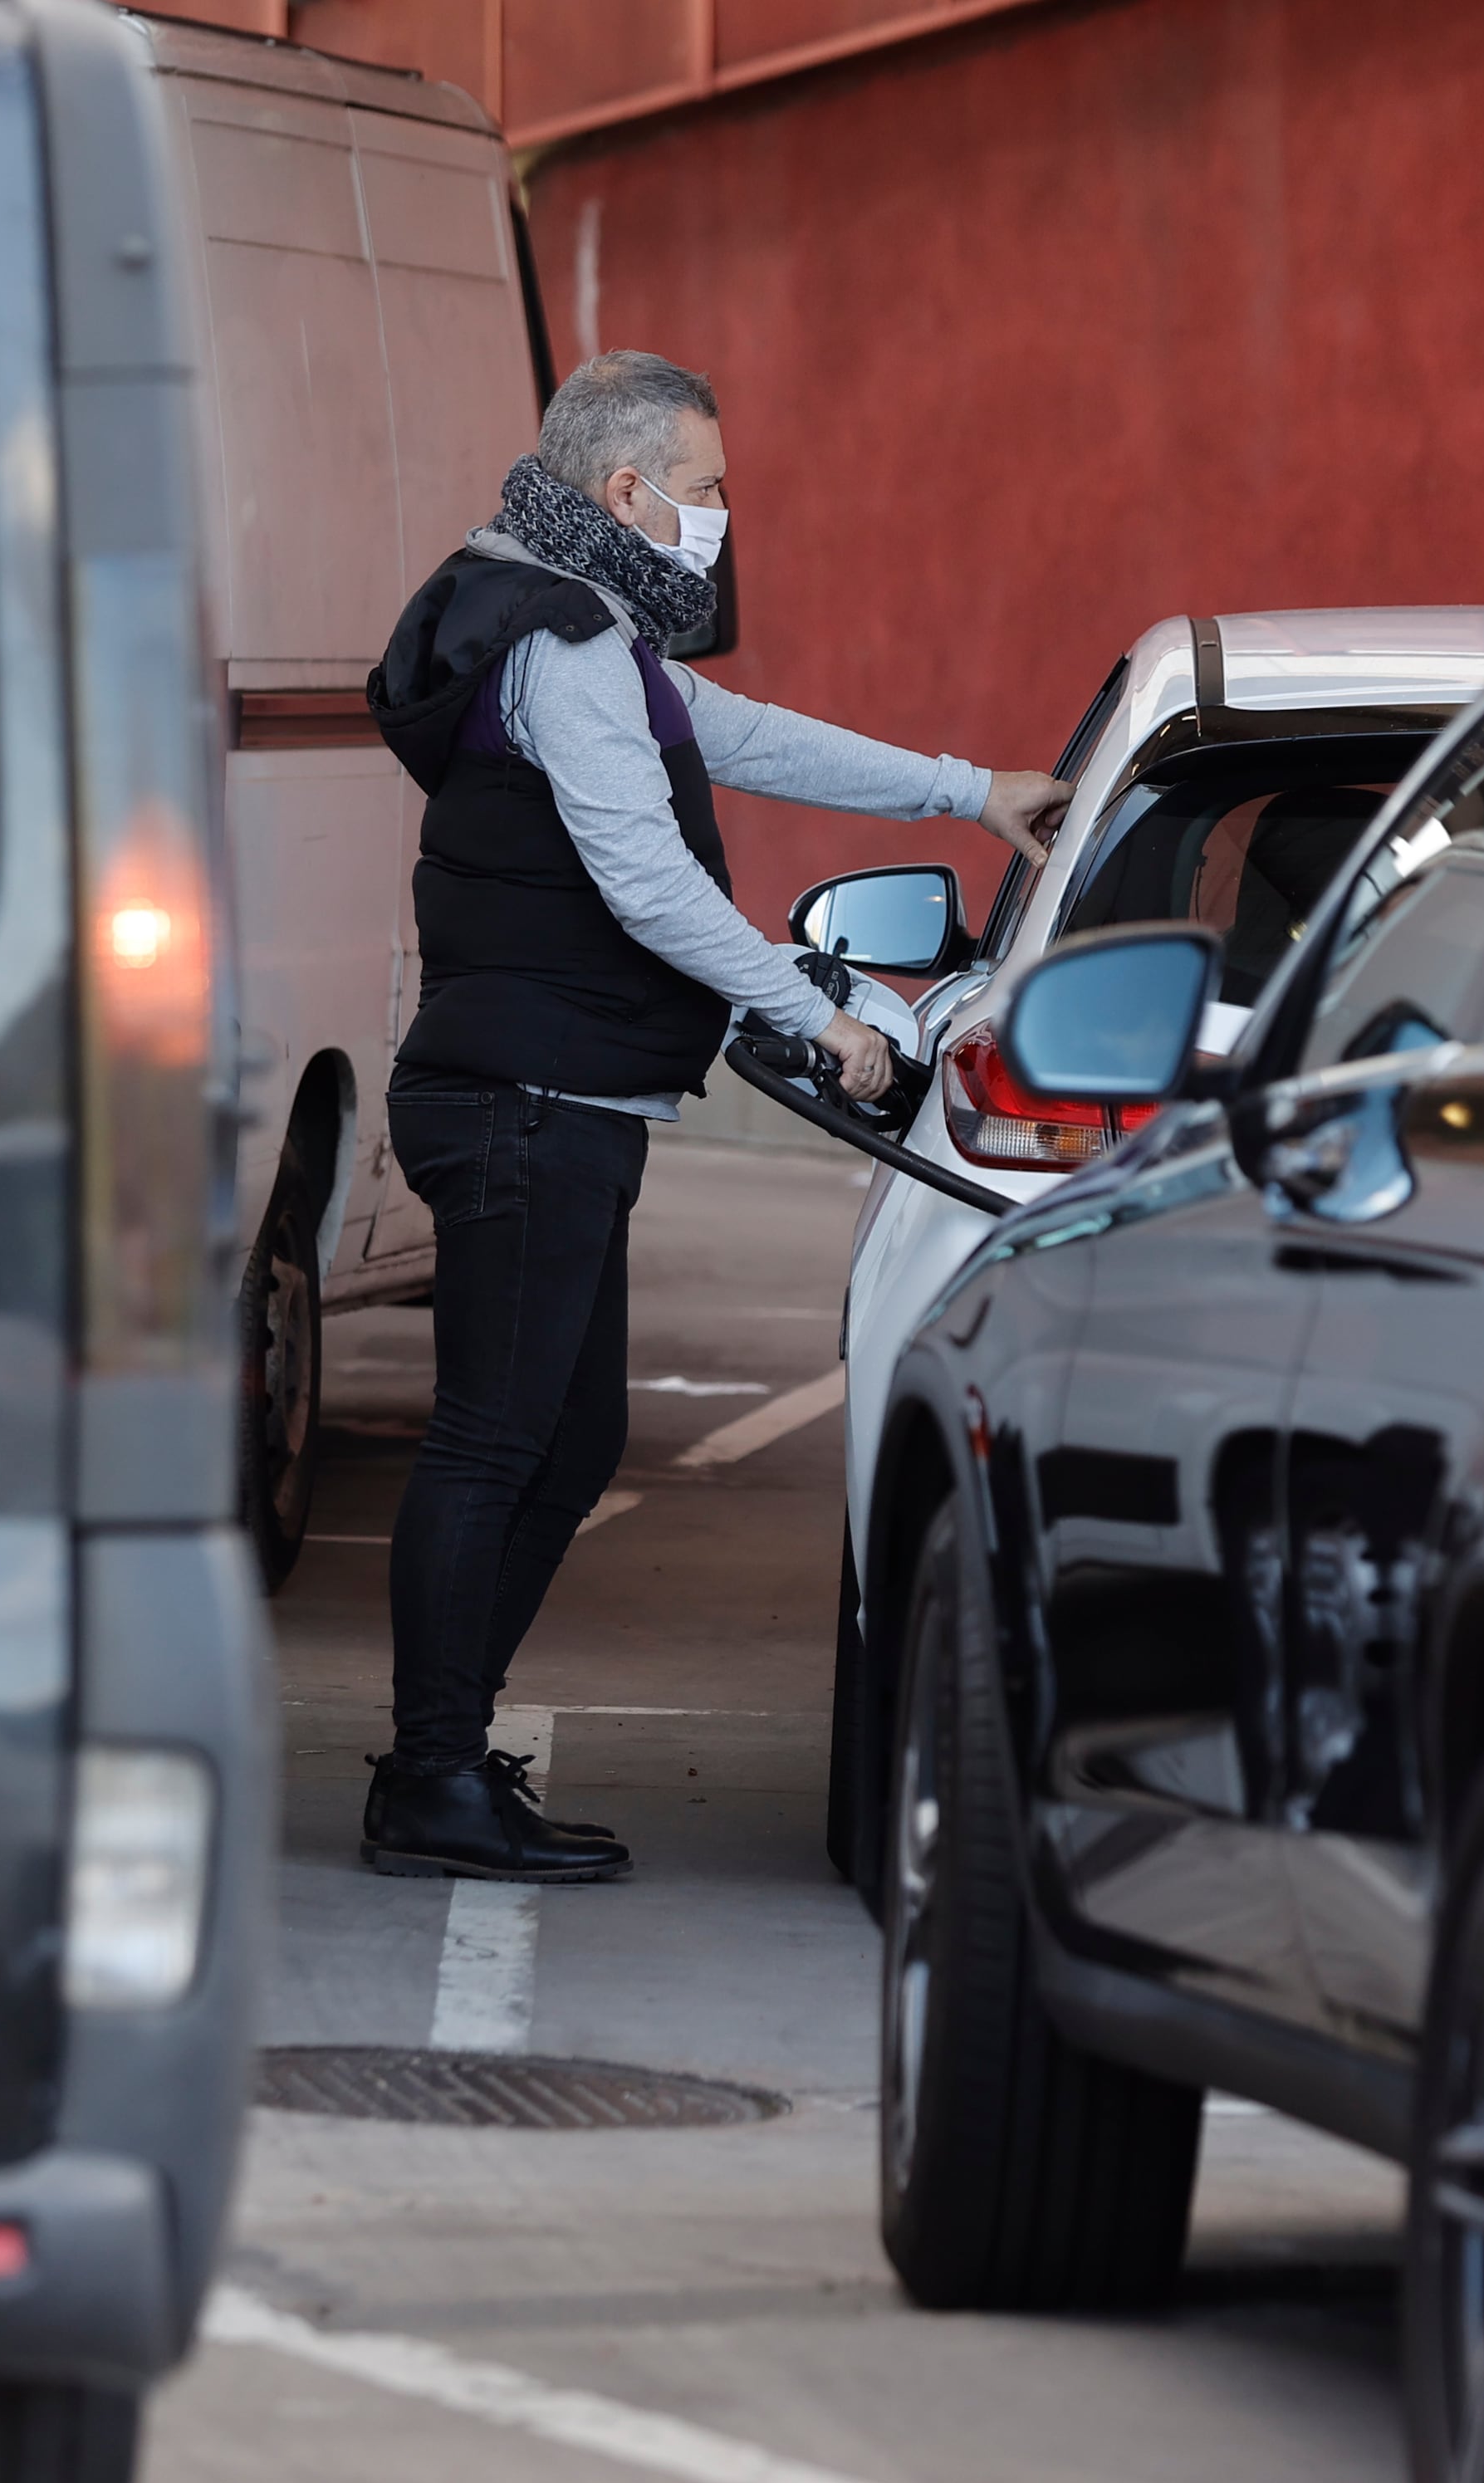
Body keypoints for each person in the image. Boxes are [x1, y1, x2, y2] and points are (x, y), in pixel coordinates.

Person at [359, 350, 1069, 1884]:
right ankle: (429, 1774)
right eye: (710, 487)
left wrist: (969, 786)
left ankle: (442, 1750)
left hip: (553, 1093)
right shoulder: (558, 638)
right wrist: (809, 1011)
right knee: (499, 1441)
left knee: (564, 1437)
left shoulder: (580, 619)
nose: (724, 517)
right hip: (523, 1099)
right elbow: (647, 875)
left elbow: (738, 739)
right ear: (626, 491)